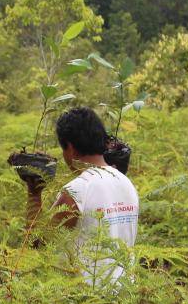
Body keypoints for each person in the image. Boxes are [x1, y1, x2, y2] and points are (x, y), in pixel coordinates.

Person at [24, 107, 139, 285]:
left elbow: (38, 242)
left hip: (86, 300)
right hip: (126, 296)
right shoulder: (126, 183)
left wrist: (34, 194)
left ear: (70, 148)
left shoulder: (77, 191)